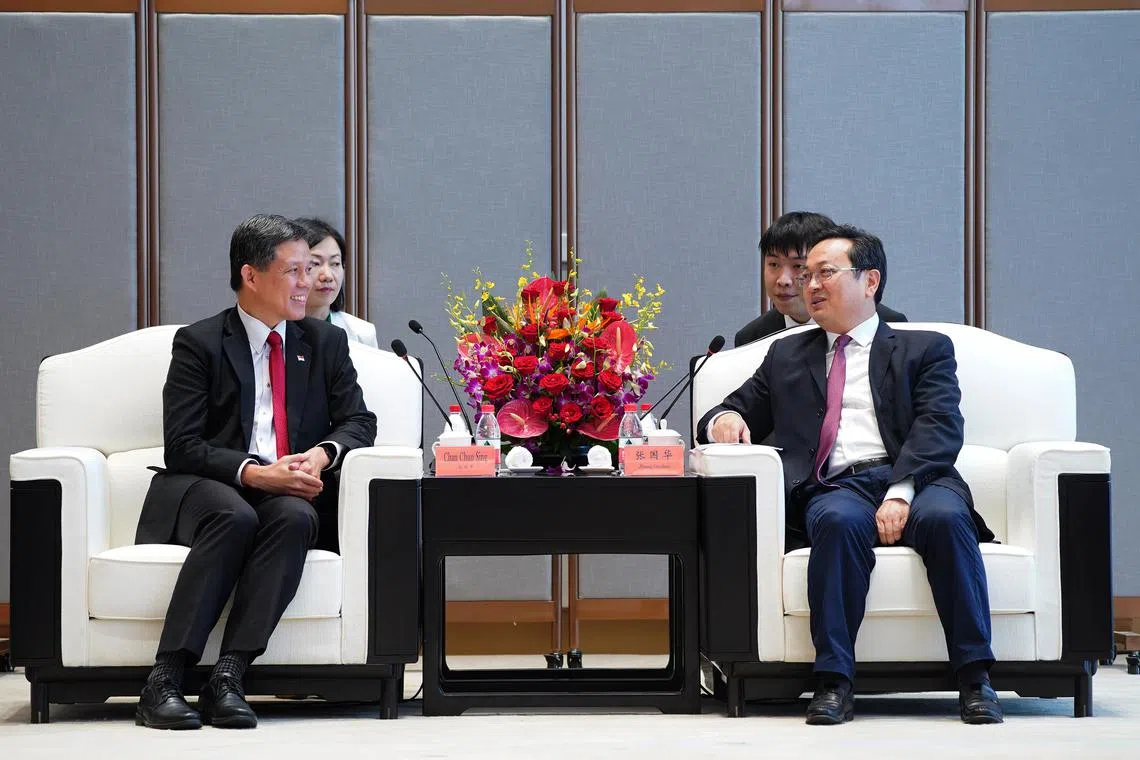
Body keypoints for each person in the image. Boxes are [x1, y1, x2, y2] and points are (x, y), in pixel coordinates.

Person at [698, 225, 1001, 726]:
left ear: (870, 281)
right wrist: (724, 420)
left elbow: (940, 426)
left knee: (948, 522)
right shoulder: (786, 354)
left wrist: (901, 493)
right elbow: (730, 409)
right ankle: (834, 681)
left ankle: (975, 678)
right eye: (806, 274)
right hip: (838, 485)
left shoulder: (924, 348)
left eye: (825, 273)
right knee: (835, 525)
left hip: (919, 479)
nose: (808, 285)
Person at [133, 214, 377, 730]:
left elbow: (359, 420)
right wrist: (253, 473)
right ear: (251, 276)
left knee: (295, 518)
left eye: (310, 270)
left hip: (285, 487)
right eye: (294, 271)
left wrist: (321, 455)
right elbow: (182, 445)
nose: (308, 283)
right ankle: (164, 680)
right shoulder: (198, 343)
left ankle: (229, 677)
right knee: (235, 516)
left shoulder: (324, 343)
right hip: (208, 486)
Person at [734, 211, 907, 347]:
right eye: (773, 264)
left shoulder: (889, 324)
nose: (783, 280)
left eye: (799, 266)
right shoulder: (752, 337)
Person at [295, 217, 379, 348]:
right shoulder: (274, 331)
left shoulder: (361, 334)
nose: (327, 276)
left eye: (335, 263)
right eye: (315, 263)